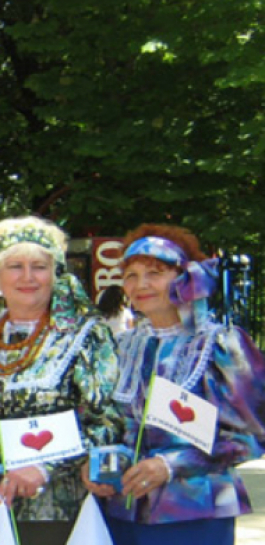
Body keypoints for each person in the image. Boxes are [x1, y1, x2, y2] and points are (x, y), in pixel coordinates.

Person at [82, 224, 265, 545]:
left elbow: (252, 435)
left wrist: (171, 464)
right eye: (131, 275)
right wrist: (97, 461)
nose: (141, 285)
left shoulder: (221, 345)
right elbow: (109, 422)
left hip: (194, 510)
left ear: (185, 278)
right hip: (123, 510)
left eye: (155, 273)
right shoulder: (123, 345)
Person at [0, 216, 122, 545]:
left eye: (39, 267)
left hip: (56, 513)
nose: (28, 277)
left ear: (55, 273)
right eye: (15, 266)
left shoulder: (86, 336)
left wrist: (45, 467)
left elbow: (108, 420)